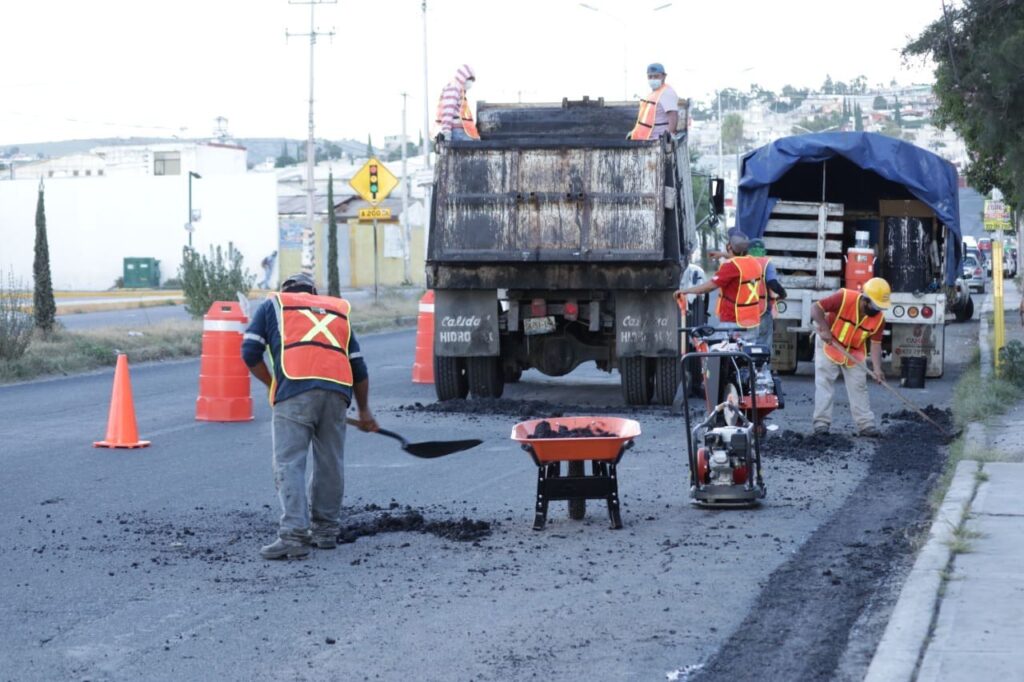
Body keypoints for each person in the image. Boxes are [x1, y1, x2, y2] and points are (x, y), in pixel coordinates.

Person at [242, 272, 379, 560]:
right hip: (337, 394)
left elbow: (250, 351)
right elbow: (359, 367)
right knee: (330, 462)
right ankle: (326, 532)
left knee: (290, 462)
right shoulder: (336, 309)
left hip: (294, 390)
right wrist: (364, 410)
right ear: (314, 292)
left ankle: (293, 536)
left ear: (285, 290)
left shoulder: (274, 305)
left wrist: (272, 384)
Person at [809, 277, 891, 438]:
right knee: (824, 383)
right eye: (875, 306)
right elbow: (816, 308)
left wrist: (877, 369)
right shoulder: (844, 297)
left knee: (859, 386)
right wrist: (825, 330)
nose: (877, 310)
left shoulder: (879, 319)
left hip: (854, 351)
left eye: (880, 307)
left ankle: (866, 425)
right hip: (830, 344)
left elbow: (875, 344)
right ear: (865, 300)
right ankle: (821, 424)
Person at [675, 232, 767, 333]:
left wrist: (685, 291)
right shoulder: (754, 263)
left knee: (725, 347)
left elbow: (708, 287)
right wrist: (722, 255)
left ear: (729, 247)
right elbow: (739, 260)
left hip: (733, 321)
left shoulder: (731, 267)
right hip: (751, 320)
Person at [748, 238, 786, 349]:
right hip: (762, 310)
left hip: (743, 310)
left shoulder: (742, 263)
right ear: (764, 251)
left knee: (747, 341)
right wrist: (782, 293)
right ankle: (761, 366)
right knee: (763, 343)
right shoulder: (766, 264)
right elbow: (772, 283)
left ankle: (744, 364)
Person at [628, 63, 679, 140]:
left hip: (658, 140)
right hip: (647, 138)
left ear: (664, 76)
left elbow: (673, 115)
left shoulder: (667, 92)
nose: (653, 79)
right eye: (650, 77)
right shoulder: (653, 93)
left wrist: (669, 137)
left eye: (656, 76)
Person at [435, 64, 479, 141]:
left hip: (459, 130)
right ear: (464, 77)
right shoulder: (454, 88)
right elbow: (448, 111)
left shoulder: (458, 89)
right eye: (470, 79)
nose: (471, 82)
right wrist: (447, 132)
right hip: (455, 131)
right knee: (473, 148)